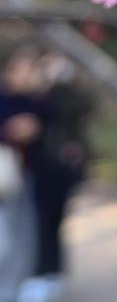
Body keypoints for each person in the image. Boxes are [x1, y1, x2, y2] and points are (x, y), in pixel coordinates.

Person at [19, 54, 94, 302]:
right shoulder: (35, 94)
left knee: (53, 222)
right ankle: (43, 273)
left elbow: (80, 111)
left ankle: (50, 273)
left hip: (60, 170)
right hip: (40, 168)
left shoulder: (68, 94)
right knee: (39, 224)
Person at [0, 48, 44, 302]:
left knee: (24, 235)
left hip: (27, 177)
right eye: (20, 70)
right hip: (5, 176)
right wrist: (9, 131)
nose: (25, 76)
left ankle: (15, 286)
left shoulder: (37, 102)